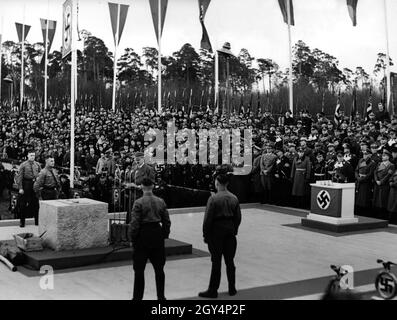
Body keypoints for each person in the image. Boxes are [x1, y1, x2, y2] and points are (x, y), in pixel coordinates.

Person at [199, 170, 242, 299]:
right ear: (227, 183)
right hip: (230, 231)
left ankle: (213, 290)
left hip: (216, 232)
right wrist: (234, 230)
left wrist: (205, 235)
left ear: (216, 182)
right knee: (230, 261)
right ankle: (232, 288)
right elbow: (238, 218)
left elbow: (208, 219)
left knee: (216, 262)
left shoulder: (213, 198)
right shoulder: (234, 198)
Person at [128, 178, 171, 301]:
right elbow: (167, 221)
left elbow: (135, 223)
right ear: (153, 186)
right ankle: (161, 297)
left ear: (141, 186)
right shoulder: (160, 201)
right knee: (159, 269)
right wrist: (164, 234)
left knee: (139, 269)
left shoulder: (138, 202)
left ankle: (137, 298)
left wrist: (132, 238)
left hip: (143, 235)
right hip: (157, 233)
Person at [16, 151, 41, 227]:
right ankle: (22, 222)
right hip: (26, 184)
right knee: (23, 204)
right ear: (27, 156)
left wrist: (39, 185)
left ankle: (37, 221)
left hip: (35, 184)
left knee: (36, 204)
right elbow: (19, 177)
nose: (32, 157)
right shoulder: (23, 165)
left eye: (33, 155)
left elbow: (40, 175)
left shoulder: (37, 164)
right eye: (31, 155)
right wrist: (20, 188)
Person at [373, 150, 395, 219]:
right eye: (382, 156)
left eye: (384, 156)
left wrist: (381, 181)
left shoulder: (391, 165)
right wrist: (376, 180)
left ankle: (383, 215)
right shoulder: (379, 163)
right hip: (377, 183)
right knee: (376, 199)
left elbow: (389, 175)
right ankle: (377, 214)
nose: (382, 157)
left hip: (384, 184)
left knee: (383, 199)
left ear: (388, 157)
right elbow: (375, 172)